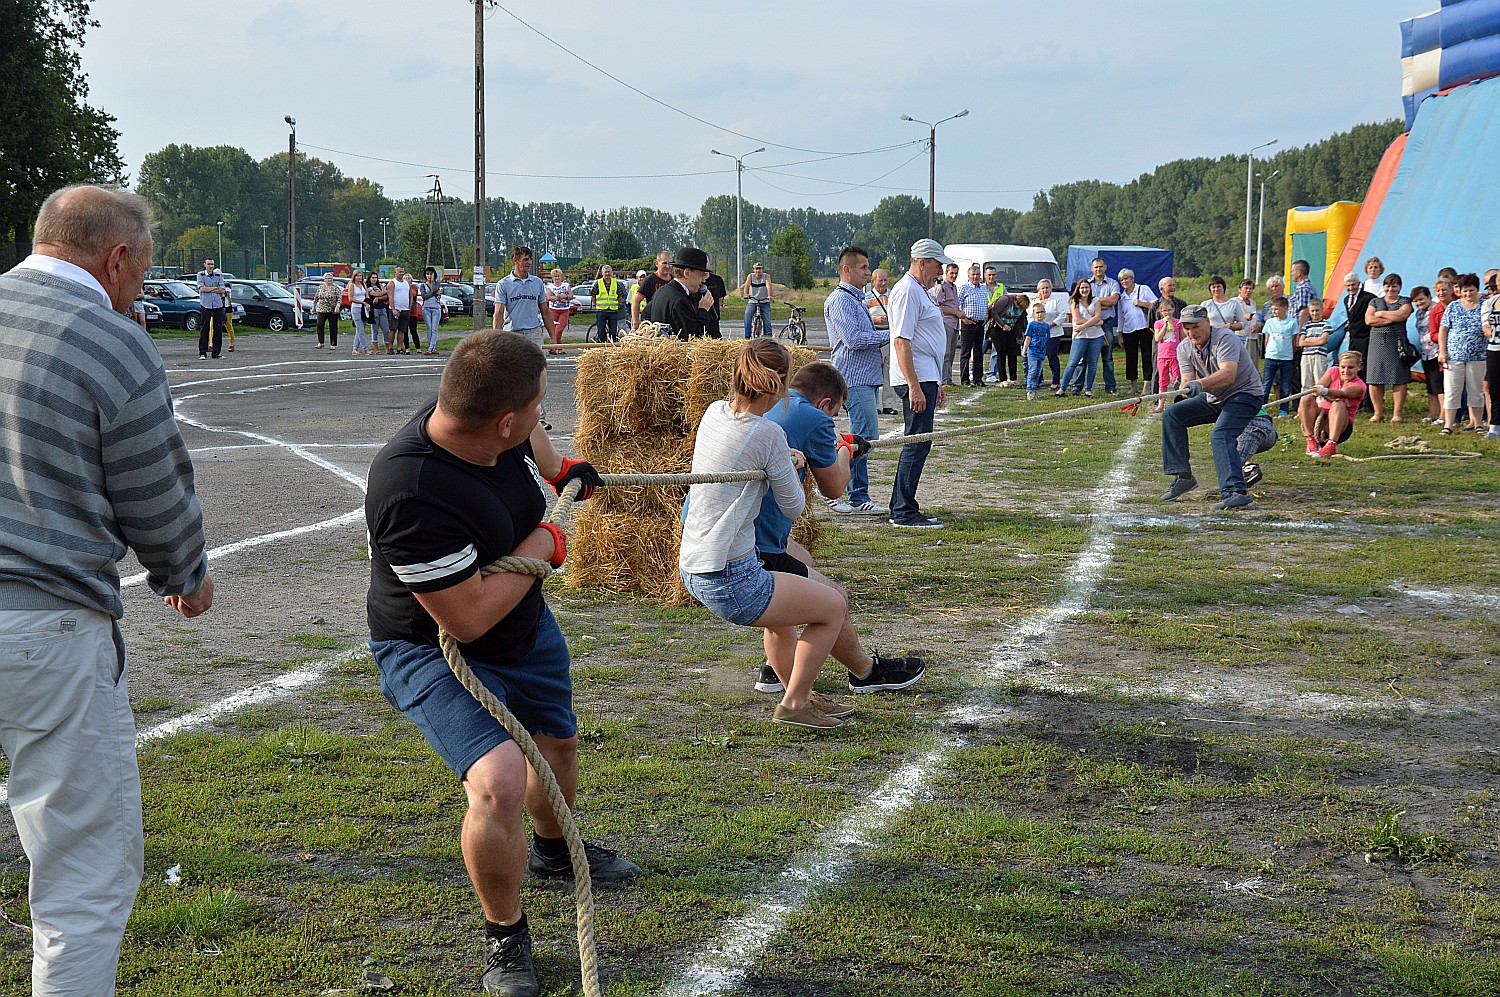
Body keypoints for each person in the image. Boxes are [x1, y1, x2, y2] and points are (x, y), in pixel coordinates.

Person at [365, 330, 636, 997]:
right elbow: (469, 616)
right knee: (500, 779)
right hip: (434, 646)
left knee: (559, 748)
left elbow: (537, 437)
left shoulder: (496, 418)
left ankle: (551, 850)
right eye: (537, 407)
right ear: (502, 420)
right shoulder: (411, 488)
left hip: (524, 628)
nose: (542, 416)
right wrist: (546, 542)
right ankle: (505, 935)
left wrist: (559, 468)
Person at [0, 184, 214, 995]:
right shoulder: (111, 340)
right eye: (141, 270)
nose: (139, 291)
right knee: (81, 878)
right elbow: (153, 489)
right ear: (115, 257)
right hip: (41, 626)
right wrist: (185, 576)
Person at [677, 339, 850, 729]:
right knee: (832, 607)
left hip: (693, 565)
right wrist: (790, 464)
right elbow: (794, 506)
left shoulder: (714, 411)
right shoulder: (769, 433)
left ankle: (797, 692)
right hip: (731, 579)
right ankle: (794, 705)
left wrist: (779, 460)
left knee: (782, 619)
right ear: (780, 385)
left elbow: (743, 454)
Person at [748, 360, 927, 697]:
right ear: (824, 404)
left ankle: (775, 668)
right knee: (834, 600)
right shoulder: (813, 417)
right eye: (834, 414)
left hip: (745, 531)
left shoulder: (775, 402)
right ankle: (865, 672)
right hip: (756, 542)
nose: (830, 422)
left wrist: (836, 447)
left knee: (803, 560)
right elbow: (833, 488)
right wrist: (845, 451)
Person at [1159, 303, 1266, 511]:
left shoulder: (1225, 338)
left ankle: (1237, 492)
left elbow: (1229, 374)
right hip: (1215, 397)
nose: (1191, 332)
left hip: (1245, 395)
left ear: (1208, 322)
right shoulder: (1184, 348)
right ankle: (1183, 476)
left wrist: (1199, 384)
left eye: (1196, 326)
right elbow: (1188, 380)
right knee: (1173, 414)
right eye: (1187, 328)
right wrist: (1183, 389)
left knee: (1221, 435)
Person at [887, 239, 953, 529]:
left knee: (920, 443)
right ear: (923, 261)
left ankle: (903, 505)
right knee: (916, 443)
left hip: (926, 376)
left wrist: (935, 382)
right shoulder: (907, 291)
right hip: (915, 378)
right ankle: (902, 511)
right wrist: (914, 386)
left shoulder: (920, 291)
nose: (939, 271)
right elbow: (902, 341)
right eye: (937, 265)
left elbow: (926, 342)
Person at [824, 246, 889, 517]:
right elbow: (853, 340)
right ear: (846, 270)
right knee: (864, 439)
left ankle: (842, 489)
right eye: (863, 267)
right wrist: (891, 336)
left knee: (860, 438)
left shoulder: (858, 299)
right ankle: (847, 493)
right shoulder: (840, 300)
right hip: (854, 379)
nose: (868, 272)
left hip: (865, 378)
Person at [1438, 273, 1488, 435]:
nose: (1468, 294)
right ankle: (1449, 424)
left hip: (1478, 356)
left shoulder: (1485, 305)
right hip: (1454, 355)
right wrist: (1443, 351)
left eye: (1471, 291)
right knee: (1452, 390)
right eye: (1465, 291)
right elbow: (1443, 329)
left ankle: (1478, 423)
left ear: (1477, 290)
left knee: (1476, 390)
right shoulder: (1453, 307)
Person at [1364, 273, 1414, 422]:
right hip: (1377, 343)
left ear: (1399, 287)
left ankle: (1397, 413)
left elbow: (1403, 315)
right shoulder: (1374, 301)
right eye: (1388, 285)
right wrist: (1392, 317)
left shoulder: (1405, 301)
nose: (1390, 288)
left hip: (1397, 343)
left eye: (1394, 286)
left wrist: (1381, 314)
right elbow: (1369, 320)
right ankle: (1378, 413)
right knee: (1375, 378)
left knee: (1398, 378)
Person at [1298, 351, 1367, 458]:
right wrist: (1317, 390)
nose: (1345, 371)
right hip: (1321, 420)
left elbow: (1342, 393)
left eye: (1351, 367)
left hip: (1341, 427)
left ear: (1359, 367)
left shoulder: (1360, 386)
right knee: (1306, 398)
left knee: (1338, 403)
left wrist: (1325, 391)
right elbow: (1317, 388)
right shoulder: (1333, 372)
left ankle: (1331, 444)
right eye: (1343, 367)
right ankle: (1310, 440)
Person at [647, 246, 715, 339]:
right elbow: (693, 338)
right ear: (687, 273)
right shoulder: (679, 301)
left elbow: (645, 315)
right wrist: (703, 310)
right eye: (701, 275)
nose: (703, 280)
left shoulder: (662, 291)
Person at [489, 247, 547, 346]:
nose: (529, 262)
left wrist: (553, 337)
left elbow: (545, 312)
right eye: (525, 259)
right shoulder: (503, 284)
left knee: (536, 361)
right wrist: (496, 338)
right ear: (516, 261)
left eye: (530, 259)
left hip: (534, 333)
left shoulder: (537, 282)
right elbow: (498, 313)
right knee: (512, 362)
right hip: (512, 333)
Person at [1059, 278, 1104, 397]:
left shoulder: (1096, 300)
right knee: (1073, 362)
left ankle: (1088, 389)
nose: (1084, 290)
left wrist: (1084, 325)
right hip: (1080, 336)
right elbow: (1077, 320)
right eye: (1082, 288)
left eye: (1087, 287)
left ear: (1090, 289)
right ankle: (1062, 388)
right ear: (1078, 289)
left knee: (1092, 363)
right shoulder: (1074, 301)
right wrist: (1095, 322)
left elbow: (1098, 316)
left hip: (1096, 336)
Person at [1117, 268, 1157, 395]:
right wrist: (1120, 334)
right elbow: (1121, 317)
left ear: (1132, 279)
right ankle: (1133, 386)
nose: (1124, 281)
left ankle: (1146, 386)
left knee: (1146, 356)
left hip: (1144, 327)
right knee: (1130, 358)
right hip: (1129, 330)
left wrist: (1142, 303)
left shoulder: (1143, 289)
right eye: (1122, 280)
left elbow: (1156, 304)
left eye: (1126, 278)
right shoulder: (1122, 297)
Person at [865, 268, 898, 415]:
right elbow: (862, 319)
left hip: (890, 339)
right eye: (880, 280)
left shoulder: (893, 296)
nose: (883, 283)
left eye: (885, 280)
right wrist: (875, 320)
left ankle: (889, 404)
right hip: (875, 339)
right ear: (873, 282)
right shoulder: (866, 298)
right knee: (874, 373)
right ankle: (874, 404)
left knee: (890, 372)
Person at [1087, 258, 1122, 393]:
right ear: (1092, 269)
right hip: (1090, 325)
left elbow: (1113, 300)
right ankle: (1082, 387)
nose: (1098, 269)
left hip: (1106, 323)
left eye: (1100, 266)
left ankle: (1111, 387)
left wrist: (1094, 302)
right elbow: (1084, 301)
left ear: (1105, 267)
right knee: (1088, 357)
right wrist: (1102, 303)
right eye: (1095, 267)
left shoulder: (1113, 283)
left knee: (1108, 358)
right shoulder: (1087, 284)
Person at [1260, 296, 1298, 417]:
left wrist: (1291, 353)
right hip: (1271, 357)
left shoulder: (1292, 323)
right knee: (1266, 384)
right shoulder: (1270, 322)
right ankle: (1261, 407)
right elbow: (1266, 339)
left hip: (1286, 359)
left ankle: (1284, 409)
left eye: (1277, 309)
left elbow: (1293, 340)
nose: (1274, 311)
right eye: (1273, 309)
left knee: (1286, 385)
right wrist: (1267, 352)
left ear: (1285, 308)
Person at [1410, 284, 1442, 423]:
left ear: (1429, 297)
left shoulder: (1436, 309)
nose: (1419, 303)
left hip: (1437, 351)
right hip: (1425, 351)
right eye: (1416, 301)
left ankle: (1444, 414)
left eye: (1421, 299)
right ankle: (1433, 412)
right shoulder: (1419, 313)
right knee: (1430, 384)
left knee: (1440, 384)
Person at [1423, 278, 1453, 422]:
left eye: (1444, 290)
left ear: (1451, 290)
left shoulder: (1459, 304)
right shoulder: (1435, 311)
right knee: (1444, 383)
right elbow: (1433, 333)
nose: (1441, 293)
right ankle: (1444, 414)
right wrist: (1446, 338)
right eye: (1438, 291)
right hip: (1443, 350)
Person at [1033, 277, 1070, 390]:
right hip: (1038, 334)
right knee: (1038, 357)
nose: (1045, 290)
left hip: (1053, 333)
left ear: (1051, 289)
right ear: (1039, 289)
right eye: (1042, 288)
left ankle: (1055, 381)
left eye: (1047, 288)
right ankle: (1039, 380)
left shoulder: (1056, 300)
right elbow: (1030, 316)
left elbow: (1063, 315)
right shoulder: (1035, 301)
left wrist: (1051, 324)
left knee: (1052, 356)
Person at [956, 263, 990, 386]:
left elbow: (985, 303)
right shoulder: (964, 288)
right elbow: (957, 304)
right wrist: (963, 318)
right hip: (968, 323)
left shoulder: (983, 288)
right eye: (973, 274)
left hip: (980, 324)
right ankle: (965, 379)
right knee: (966, 352)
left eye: (977, 274)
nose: (975, 277)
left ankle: (977, 378)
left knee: (978, 352)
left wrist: (985, 316)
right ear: (969, 276)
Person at [930, 261, 962, 385]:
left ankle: (949, 379)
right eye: (951, 273)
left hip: (955, 324)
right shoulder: (941, 287)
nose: (953, 276)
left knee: (952, 352)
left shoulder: (954, 287)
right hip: (946, 322)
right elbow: (938, 307)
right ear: (946, 273)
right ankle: (943, 380)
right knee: (946, 353)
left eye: (956, 273)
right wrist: (955, 312)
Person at [1151, 299, 1183, 413]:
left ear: (1173, 310)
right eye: (1164, 310)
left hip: (1175, 355)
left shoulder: (1178, 322)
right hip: (1162, 355)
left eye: (1169, 310)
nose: (1167, 313)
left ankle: (1179, 402)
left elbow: (1183, 337)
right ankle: (1160, 404)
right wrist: (1165, 325)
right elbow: (1157, 338)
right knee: (1163, 380)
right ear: (1160, 311)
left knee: (1177, 379)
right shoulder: (1158, 323)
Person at [631, 251, 672, 331]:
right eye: (664, 263)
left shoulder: (673, 280)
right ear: (657, 264)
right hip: (654, 324)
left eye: (670, 263)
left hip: (670, 323)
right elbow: (635, 301)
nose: (667, 266)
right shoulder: (650, 280)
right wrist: (636, 324)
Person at [1297, 297, 1332, 390]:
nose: (1315, 313)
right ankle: (1304, 402)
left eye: (1317, 310)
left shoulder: (1326, 324)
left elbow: (1323, 341)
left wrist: (1308, 340)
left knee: (1319, 381)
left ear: (1321, 310)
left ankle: (1320, 403)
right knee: (1305, 382)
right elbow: (1301, 342)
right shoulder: (1306, 325)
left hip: (1319, 355)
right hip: (1306, 355)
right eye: (1312, 311)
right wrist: (1316, 340)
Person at [195, 255, 227, 359]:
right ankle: (202, 352)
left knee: (217, 328)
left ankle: (216, 352)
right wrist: (215, 288)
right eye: (208, 264)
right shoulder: (200, 275)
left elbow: (222, 290)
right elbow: (202, 289)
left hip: (217, 304)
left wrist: (209, 288)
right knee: (205, 328)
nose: (210, 266)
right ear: (205, 265)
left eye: (212, 264)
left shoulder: (218, 275)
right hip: (206, 304)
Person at [1022, 301, 1051, 400]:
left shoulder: (1046, 326)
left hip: (1041, 352)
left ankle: (1034, 389)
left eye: (1041, 312)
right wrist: (1025, 349)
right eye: (1037, 312)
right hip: (1033, 351)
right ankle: (1030, 390)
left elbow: (1047, 338)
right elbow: (1028, 338)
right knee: (1032, 371)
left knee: (1038, 372)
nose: (1040, 314)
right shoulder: (1031, 325)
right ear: (1034, 314)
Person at [588, 264, 623, 342]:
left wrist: (615, 303)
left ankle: (612, 347)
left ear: (611, 273)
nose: (607, 274)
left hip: (613, 311)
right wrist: (596, 304)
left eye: (609, 272)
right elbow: (593, 295)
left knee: (613, 332)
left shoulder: (615, 283)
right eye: (606, 272)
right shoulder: (598, 283)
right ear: (602, 273)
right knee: (601, 332)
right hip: (601, 311)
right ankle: (601, 347)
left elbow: (620, 296)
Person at [1483, 281, 1500, 439]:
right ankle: (1494, 426)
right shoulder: (1490, 303)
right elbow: (1485, 327)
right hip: (1494, 350)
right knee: (1494, 388)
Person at [739, 262, 773, 338]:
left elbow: (769, 286)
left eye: (760, 269)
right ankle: (747, 337)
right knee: (747, 316)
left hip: (764, 301)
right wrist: (746, 294)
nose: (758, 271)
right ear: (754, 270)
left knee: (767, 320)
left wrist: (770, 295)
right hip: (753, 301)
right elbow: (747, 285)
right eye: (756, 269)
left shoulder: (766, 276)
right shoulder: (751, 276)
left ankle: (768, 338)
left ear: (762, 270)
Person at [390, 266, 419, 354]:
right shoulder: (392, 283)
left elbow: (411, 296)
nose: (401, 273)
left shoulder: (406, 283)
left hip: (405, 309)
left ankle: (399, 348)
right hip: (396, 309)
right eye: (399, 271)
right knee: (393, 329)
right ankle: (390, 347)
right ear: (395, 272)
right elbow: (390, 296)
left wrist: (409, 308)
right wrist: (393, 309)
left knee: (402, 330)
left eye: (402, 271)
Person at [420, 267, 448, 354]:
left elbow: (437, 293)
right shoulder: (423, 285)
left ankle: (432, 348)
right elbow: (424, 296)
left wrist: (433, 285)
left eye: (431, 274)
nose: (429, 276)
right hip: (426, 308)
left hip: (436, 308)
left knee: (434, 329)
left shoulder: (437, 284)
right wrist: (434, 293)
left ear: (434, 275)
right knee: (429, 328)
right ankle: (430, 347)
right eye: (427, 274)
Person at [543, 268, 573, 345]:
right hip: (553, 310)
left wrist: (565, 297)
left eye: (558, 276)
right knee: (553, 330)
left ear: (561, 277)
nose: (557, 278)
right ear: (552, 278)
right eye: (555, 276)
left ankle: (553, 347)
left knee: (559, 330)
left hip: (564, 310)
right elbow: (549, 298)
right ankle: (557, 348)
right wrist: (559, 297)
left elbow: (571, 295)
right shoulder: (550, 287)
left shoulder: (566, 285)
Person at [313, 271, 341, 350]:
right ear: (324, 279)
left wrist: (337, 306)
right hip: (322, 309)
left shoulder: (335, 288)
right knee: (319, 325)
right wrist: (313, 307)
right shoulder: (320, 287)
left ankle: (333, 343)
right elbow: (316, 298)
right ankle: (321, 342)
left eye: (331, 278)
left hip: (332, 310)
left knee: (333, 326)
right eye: (328, 278)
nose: (330, 280)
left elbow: (339, 298)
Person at [1288, 259, 1320, 326]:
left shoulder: (1302, 288)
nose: (1291, 274)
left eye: (1292, 271)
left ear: (1299, 273)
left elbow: (1305, 312)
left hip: (1299, 328)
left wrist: (1300, 331)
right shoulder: (1310, 287)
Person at [367, 270, 392, 354]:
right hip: (374, 310)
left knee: (386, 329)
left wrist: (379, 298)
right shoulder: (368, 287)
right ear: (369, 278)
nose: (374, 279)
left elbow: (386, 296)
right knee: (375, 330)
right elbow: (375, 294)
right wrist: (384, 292)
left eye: (375, 277)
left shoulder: (380, 285)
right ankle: (376, 349)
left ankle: (388, 348)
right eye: (372, 278)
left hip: (382, 309)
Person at [348, 271, 370, 355]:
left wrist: (367, 302)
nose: (359, 277)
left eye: (360, 276)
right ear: (354, 277)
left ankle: (355, 348)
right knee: (360, 328)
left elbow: (367, 295)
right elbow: (351, 298)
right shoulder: (352, 285)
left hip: (364, 308)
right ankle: (366, 348)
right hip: (356, 308)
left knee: (360, 329)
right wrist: (362, 302)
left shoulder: (363, 284)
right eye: (357, 276)